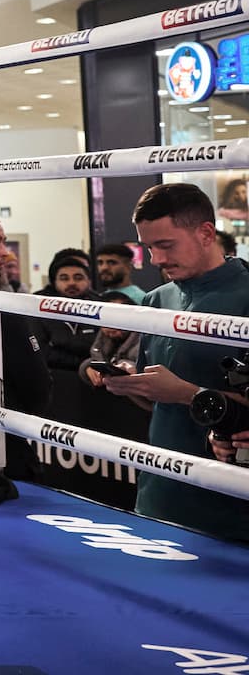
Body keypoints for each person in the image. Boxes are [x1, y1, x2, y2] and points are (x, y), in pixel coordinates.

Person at [101, 184, 249, 541]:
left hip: (231, 505)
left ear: (206, 233)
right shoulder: (155, 300)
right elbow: (157, 399)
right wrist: (130, 384)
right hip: (160, 493)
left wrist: (185, 393)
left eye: (166, 245)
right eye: (149, 247)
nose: (156, 260)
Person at [35, 252, 99, 371]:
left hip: (95, 377)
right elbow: (41, 350)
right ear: (54, 282)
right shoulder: (38, 306)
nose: (71, 283)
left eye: (78, 278)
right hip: (55, 376)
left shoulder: (101, 305)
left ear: (89, 281)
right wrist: (82, 364)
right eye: (64, 278)